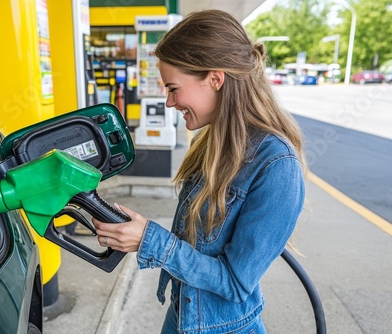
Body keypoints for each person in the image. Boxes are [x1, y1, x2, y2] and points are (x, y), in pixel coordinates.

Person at [92, 9, 307, 334]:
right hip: (183, 317)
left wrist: (151, 240)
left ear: (215, 79)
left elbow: (235, 283)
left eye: (173, 88)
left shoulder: (277, 165)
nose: (167, 102)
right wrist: (134, 230)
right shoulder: (210, 143)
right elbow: (196, 243)